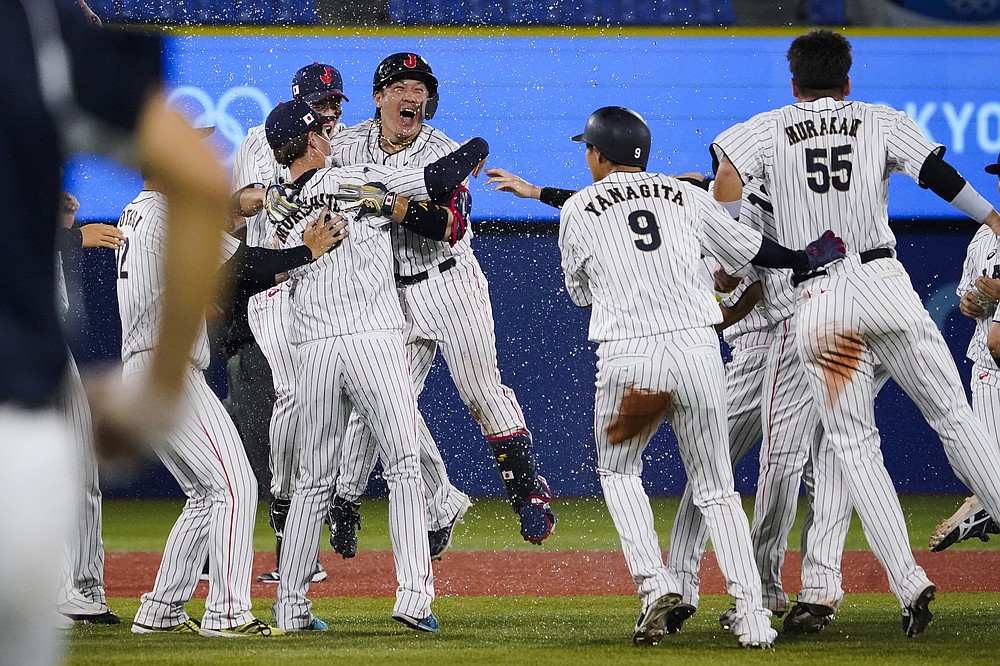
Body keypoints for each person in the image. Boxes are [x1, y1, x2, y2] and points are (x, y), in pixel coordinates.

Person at [712, 28, 1000, 638]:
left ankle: (908, 580)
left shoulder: (764, 127)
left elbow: (727, 171)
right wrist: (994, 216)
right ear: (848, 80)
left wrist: (735, 240)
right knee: (954, 417)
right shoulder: (878, 118)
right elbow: (938, 175)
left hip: (820, 302)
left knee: (854, 448)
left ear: (794, 83)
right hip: (884, 282)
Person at [558, 105, 846, 649]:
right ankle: (754, 616)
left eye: (587, 149)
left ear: (598, 153)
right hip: (697, 351)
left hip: (631, 357)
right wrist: (803, 258)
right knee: (717, 487)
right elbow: (749, 252)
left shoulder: (578, 208)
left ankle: (654, 585)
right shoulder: (687, 195)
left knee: (619, 473)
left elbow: (580, 293)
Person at [1, 0, 229, 662]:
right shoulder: (37, 26)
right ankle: (79, 589)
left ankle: (84, 588)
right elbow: (199, 177)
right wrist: (155, 394)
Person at [261, 98, 488, 633]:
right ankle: (413, 598)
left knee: (313, 479)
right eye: (323, 130)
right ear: (313, 142)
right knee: (405, 466)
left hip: (311, 346)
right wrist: (476, 147)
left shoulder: (275, 200)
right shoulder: (350, 179)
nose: (330, 134)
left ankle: (291, 605)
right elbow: (436, 181)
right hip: (371, 337)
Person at [327, 53, 555, 559]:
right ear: (379, 96)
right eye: (401, 86)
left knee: (481, 391)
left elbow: (450, 227)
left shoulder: (443, 150)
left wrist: (387, 202)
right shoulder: (345, 146)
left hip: (448, 282)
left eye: (420, 87)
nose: (413, 96)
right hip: (387, 291)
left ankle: (526, 492)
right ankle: (360, 499)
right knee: (380, 405)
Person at [118, 128, 342, 637]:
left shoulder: (137, 212)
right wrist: (306, 251)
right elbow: (247, 267)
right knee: (236, 487)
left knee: (207, 495)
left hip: (146, 366)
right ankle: (227, 614)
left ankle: (161, 610)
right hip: (164, 370)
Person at [229, 62, 348, 583]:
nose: (331, 109)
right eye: (322, 101)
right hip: (275, 281)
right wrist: (267, 195)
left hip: (332, 287)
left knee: (342, 403)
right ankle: (285, 520)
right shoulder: (263, 139)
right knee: (294, 396)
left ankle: (326, 510)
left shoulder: (345, 142)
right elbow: (233, 206)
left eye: (336, 101)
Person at [53, 194, 125, 627]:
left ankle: (84, 587)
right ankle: (62, 590)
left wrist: (63, 222)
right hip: (21, 345)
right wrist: (72, 235)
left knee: (82, 471)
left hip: (45, 344)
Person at [932, 153, 1000, 552]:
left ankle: (980, 509)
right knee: (988, 465)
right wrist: (972, 303)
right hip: (989, 367)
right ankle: (983, 504)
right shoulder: (985, 236)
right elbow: (964, 299)